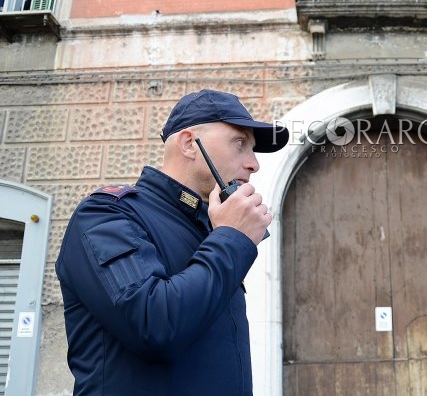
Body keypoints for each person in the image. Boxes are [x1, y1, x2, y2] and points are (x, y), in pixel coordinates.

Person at [55, 89, 289, 395]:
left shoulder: (212, 228)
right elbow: (155, 326)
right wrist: (231, 238)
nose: (254, 163)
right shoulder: (106, 215)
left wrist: (225, 235)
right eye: (240, 144)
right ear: (190, 144)